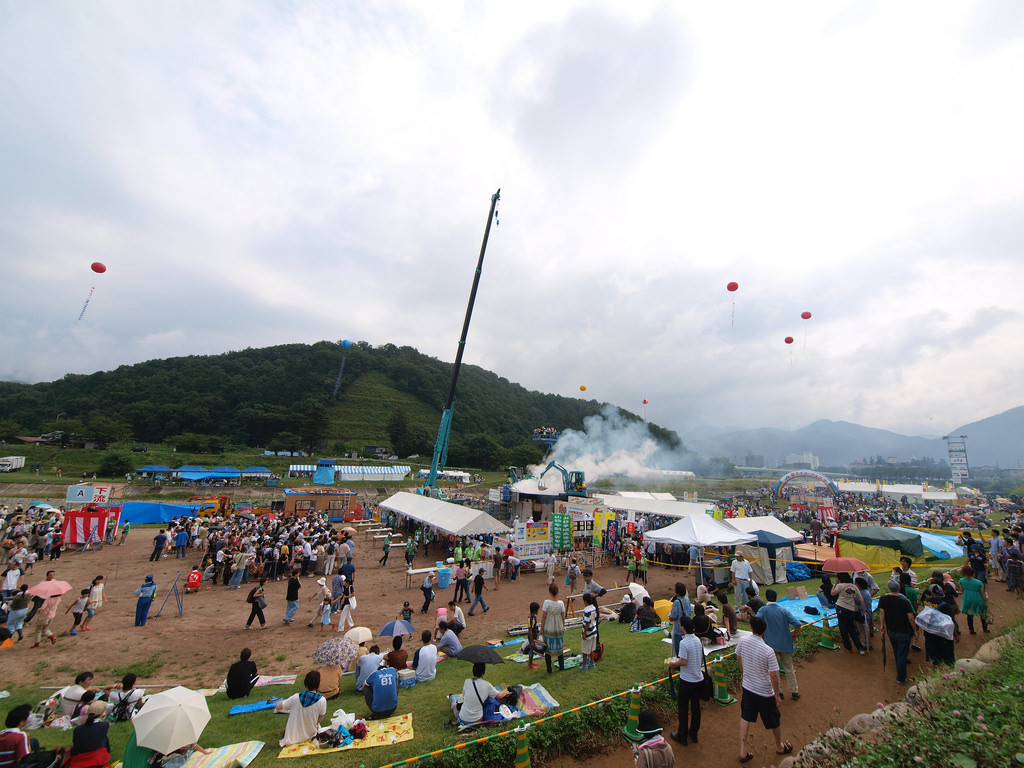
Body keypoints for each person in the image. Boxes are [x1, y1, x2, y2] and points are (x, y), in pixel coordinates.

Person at [736, 616, 792, 762]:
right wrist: (777, 696)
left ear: (751, 628)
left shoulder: (743, 641)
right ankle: (779, 746)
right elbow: (773, 676)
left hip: (748, 686)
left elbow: (738, 656)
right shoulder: (768, 650)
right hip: (764, 691)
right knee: (774, 718)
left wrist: (745, 671)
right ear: (765, 630)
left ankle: (742, 750)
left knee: (745, 716)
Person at [756, 589, 802, 700]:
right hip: (785, 643)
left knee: (773, 670)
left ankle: (779, 692)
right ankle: (794, 691)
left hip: (770, 645)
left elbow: (756, 620)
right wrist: (794, 635)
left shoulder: (763, 610)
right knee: (789, 668)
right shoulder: (783, 611)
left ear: (766, 597)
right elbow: (798, 624)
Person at [667, 616, 703, 747]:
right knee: (695, 708)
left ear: (682, 627)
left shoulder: (683, 643)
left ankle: (682, 735)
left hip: (687, 680)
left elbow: (683, 661)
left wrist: (673, 664)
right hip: (698, 678)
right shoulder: (698, 640)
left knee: (683, 708)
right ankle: (694, 733)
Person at [877, 579, 918, 684]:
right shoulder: (904, 601)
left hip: (891, 629)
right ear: (899, 589)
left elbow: (882, 612)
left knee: (896, 649)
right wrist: (915, 631)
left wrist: (882, 626)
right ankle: (901, 677)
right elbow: (911, 618)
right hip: (904, 630)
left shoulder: (884, 599)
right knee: (902, 652)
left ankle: (900, 666)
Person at [275, 671, 327, 747]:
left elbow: (278, 707)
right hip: (310, 733)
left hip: (292, 736)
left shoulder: (296, 697)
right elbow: (321, 718)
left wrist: (281, 701)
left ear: (306, 683)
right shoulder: (322, 700)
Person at [65, 700, 110, 768]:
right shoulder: (104, 725)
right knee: (104, 738)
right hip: (94, 760)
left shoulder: (77, 729)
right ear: (103, 714)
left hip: (77, 760)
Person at [831, 573, 866, 654]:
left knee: (843, 629)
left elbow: (832, 593)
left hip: (841, 608)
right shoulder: (854, 586)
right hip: (851, 609)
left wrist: (835, 584)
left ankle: (848, 647)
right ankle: (860, 648)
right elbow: (861, 599)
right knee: (852, 628)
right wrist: (864, 610)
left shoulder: (840, 585)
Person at [540, 583, 565, 673]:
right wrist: (563, 626)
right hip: (558, 627)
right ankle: (561, 666)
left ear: (550, 591)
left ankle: (549, 669)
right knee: (559, 646)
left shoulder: (546, 602)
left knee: (548, 648)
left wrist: (542, 628)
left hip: (549, 626)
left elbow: (543, 617)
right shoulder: (561, 603)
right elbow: (563, 616)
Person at [668, 582, 692, 657]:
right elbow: (690, 611)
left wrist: (670, 618)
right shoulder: (687, 599)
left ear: (677, 592)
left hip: (678, 628)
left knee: (679, 647)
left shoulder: (677, 602)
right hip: (687, 625)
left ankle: (680, 663)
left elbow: (673, 615)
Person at [580, 593, 598, 671]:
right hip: (594, 631)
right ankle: (592, 662)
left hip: (588, 632)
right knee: (591, 649)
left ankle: (584, 665)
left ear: (585, 601)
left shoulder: (586, 610)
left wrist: (584, 633)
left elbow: (587, 622)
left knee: (585, 649)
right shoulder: (593, 608)